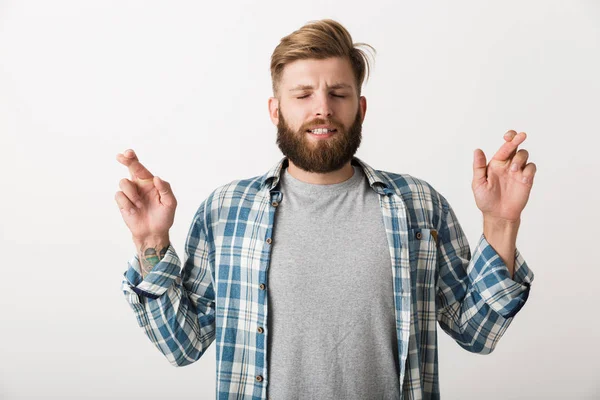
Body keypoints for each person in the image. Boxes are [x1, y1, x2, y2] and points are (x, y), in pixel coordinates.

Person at [115, 19, 536, 400]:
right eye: (303, 95)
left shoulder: (419, 206)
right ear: (275, 110)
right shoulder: (226, 211)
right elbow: (182, 345)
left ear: (361, 108)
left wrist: (501, 222)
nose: (323, 108)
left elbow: (476, 331)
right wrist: (150, 241)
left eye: (338, 93)